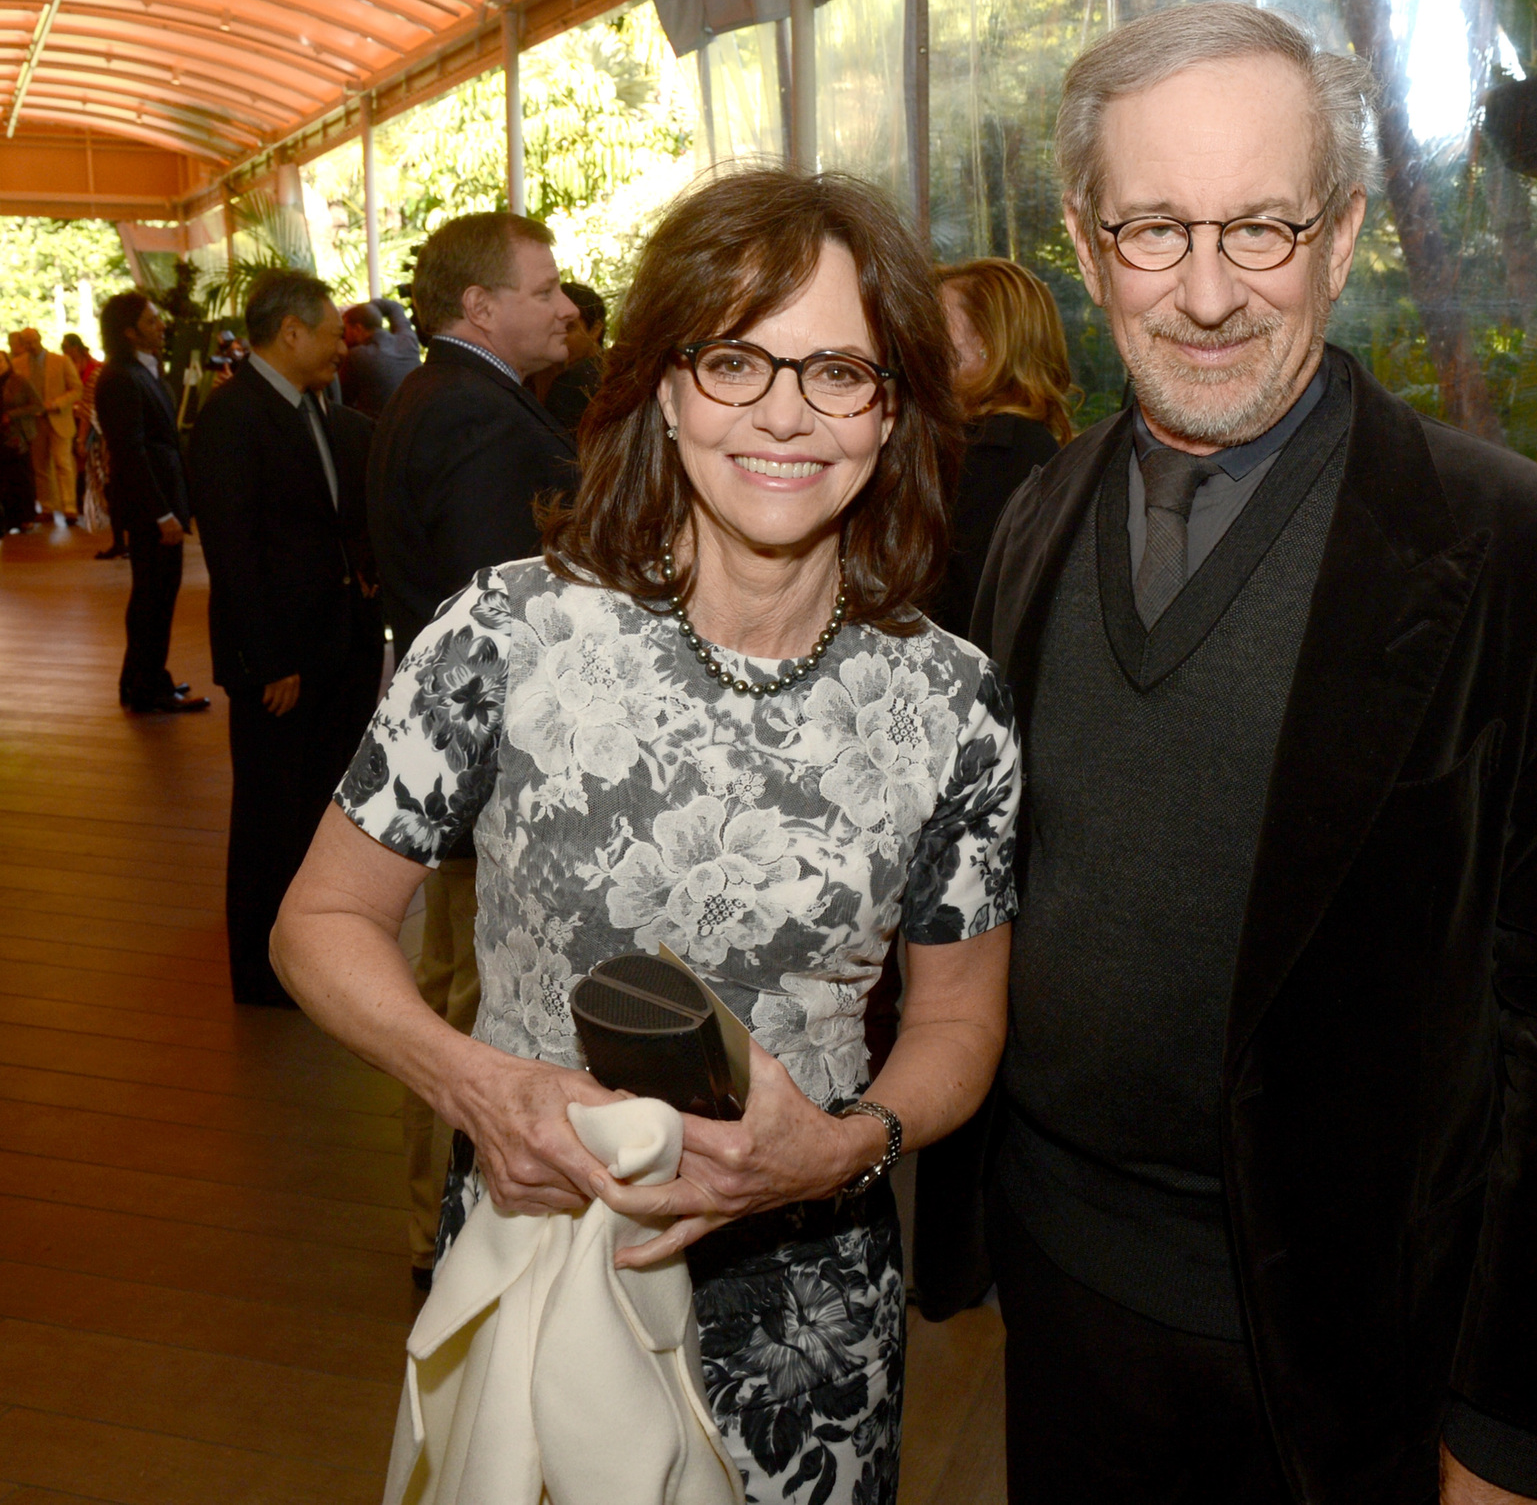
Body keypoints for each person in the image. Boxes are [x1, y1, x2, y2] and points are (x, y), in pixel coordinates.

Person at [920, 2, 1537, 1505]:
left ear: (1339, 239)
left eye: (1262, 227)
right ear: (1086, 244)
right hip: (1060, 1295)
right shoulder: (1031, 515)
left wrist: (1518, 1426)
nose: (1207, 293)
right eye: (1155, 229)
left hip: (1352, 1358)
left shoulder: (1531, 557)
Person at [276, 167, 1016, 1505]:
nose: (786, 413)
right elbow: (319, 920)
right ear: (668, 386)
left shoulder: (951, 701)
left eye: (839, 370)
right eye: (738, 360)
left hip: (812, 1314)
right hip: (542, 1255)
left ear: (892, 407)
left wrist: (851, 1143)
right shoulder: (508, 633)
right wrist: (475, 1085)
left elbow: (961, 1022)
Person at [365, 211, 583, 1290]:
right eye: (543, 290)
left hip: (458, 767)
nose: (565, 307)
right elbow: (505, 621)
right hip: (491, 772)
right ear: (477, 307)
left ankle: (429, 1227)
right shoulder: (485, 421)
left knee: (451, 986)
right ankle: (448, 1232)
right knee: (465, 1002)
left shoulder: (436, 396)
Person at [186, 270, 384, 1008]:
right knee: (271, 814)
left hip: (335, 641)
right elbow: (234, 550)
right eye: (332, 332)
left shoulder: (312, 407)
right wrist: (270, 659)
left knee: (317, 805)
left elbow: (325, 521)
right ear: (291, 332)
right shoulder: (234, 416)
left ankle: (310, 955)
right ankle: (261, 975)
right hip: (281, 659)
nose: (344, 342)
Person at [927, 259, 1073, 636]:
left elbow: (960, 614)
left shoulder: (998, 454)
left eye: (935, 325)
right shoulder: (1024, 444)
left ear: (990, 345)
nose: (920, 340)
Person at [95, 293, 208, 714]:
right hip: (151, 509)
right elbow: (132, 453)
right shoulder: (122, 378)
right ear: (129, 331)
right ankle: (145, 687)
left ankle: (142, 679)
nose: (161, 326)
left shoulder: (142, 372)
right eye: (150, 321)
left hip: (161, 502)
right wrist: (162, 513)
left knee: (156, 597)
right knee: (152, 599)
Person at [9, 327, 83, 525]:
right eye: (27, 342)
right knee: (39, 466)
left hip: (59, 418)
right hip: (33, 422)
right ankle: (47, 507)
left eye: (34, 341)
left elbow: (77, 389)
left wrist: (57, 403)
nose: (32, 346)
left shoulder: (60, 361)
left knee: (63, 464)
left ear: (40, 339)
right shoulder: (17, 364)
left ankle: (70, 508)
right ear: (22, 344)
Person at [531, 279, 607, 434]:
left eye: (569, 327)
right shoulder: (541, 373)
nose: (559, 335)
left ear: (595, 330)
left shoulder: (574, 383)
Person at [339, 301, 420, 418]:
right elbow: (394, 306)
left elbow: (343, 402)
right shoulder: (408, 340)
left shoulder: (357, 356)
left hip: (380, 431)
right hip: (416, 422)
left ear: (357, 329)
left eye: (344, 330)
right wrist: (365, 309)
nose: (343, 335)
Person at [62, 333, 107, 533]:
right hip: (74, 417)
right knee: (78, 460)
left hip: (91, 420)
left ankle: (90, 501)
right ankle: (80, 500)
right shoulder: (66, 365)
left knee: (88, 460)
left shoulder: (96, 368)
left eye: (68, 347)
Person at [0, 351, 37, 533]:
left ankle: (26, 517)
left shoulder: (19, 381)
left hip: (16, 434)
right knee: (4, 477)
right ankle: (8, 519)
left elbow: (36, 404)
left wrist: (12, 415)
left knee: (21, 475)